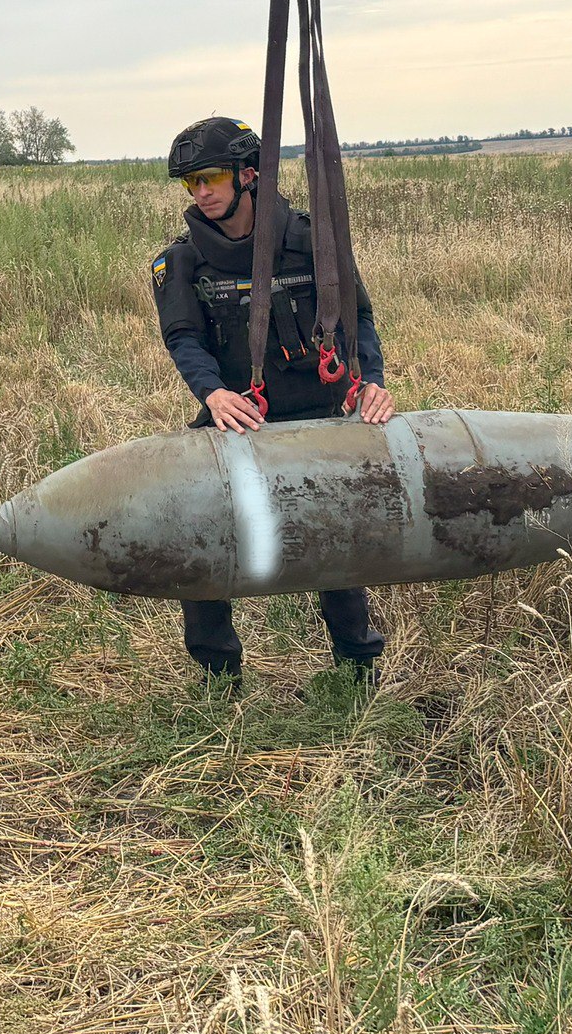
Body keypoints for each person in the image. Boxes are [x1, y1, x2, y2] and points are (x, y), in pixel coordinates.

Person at [151, 116, 392, 686]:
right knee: (200, 529)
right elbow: (183, 338)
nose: (200, 192)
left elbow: (357, 316)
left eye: (210, 177)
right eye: (190, 182)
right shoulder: (180, 263)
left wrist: (370, 379)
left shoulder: (314, 242)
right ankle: (219, 677)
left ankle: (357, 668)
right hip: (239, 417)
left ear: (248, 174)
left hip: (316, 414)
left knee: (334, 538)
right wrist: (213, 394)